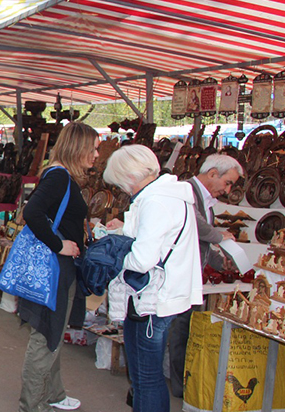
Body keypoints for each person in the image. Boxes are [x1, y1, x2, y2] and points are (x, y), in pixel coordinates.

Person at [103, 145, 201, 412]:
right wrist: (126, 229)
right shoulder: (169, 195)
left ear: (129, 176)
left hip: (151, 301)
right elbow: (160, 239)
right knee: (148, 376)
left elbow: (143, 259)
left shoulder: (155, 201)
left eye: (121, 183)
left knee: (145, 378)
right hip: (160, 296)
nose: (123, 189)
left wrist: (114, 258)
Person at [17, 121, 99, 412]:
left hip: (59, 269)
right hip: (55, 269)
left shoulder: (61, 176)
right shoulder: (59, 177)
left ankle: (54, 394)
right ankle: (32, 405)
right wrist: (58, 244)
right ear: (78, 148)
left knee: (51, 334)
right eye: (93, 148)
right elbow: (32, 212)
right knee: (44, 338)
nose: (96, 155)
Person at [168, 154, 242, 397]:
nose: (228, 189)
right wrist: (220, 236)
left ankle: (180, 383)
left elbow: (202, 244)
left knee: (185, 332)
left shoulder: (205, 199)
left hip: (190, 277)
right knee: (179, 333)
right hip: (179, 277)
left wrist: (224, 264)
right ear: (212, 174)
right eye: (228, 182)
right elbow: (195, 225)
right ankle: (177, 387)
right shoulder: (186, 190)